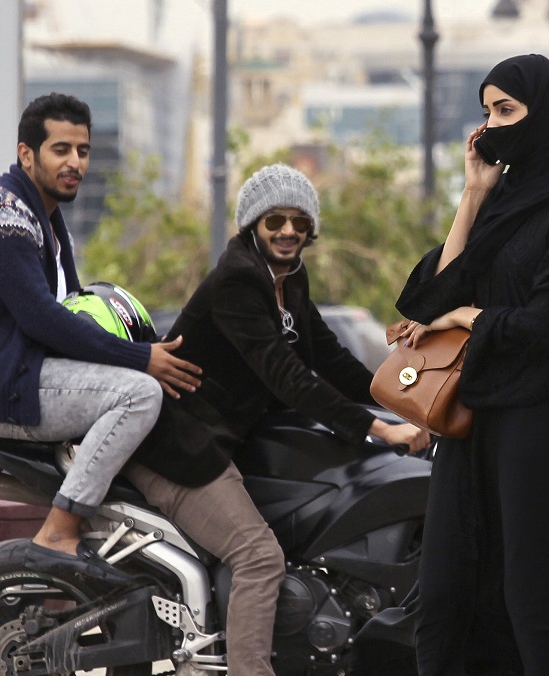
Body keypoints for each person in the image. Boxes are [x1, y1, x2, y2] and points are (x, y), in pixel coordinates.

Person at [125, 163, 430, 675]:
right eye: (274, 221)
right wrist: (381, 429)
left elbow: (328, 359)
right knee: (259, 558)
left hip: (224, 443)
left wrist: (409, 405)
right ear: (253, 226)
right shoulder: (238, 281)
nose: (288, 231)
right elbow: (286, 376)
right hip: (179, 449)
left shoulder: (289, 278)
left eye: (298, 221)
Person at [394, 54, 549, 675]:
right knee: (449, 598)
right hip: (478, 426)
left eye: (506, 110)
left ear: (548, 117)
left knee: (538, 605)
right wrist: (473, 194)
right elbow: (428, 300)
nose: (490, 129)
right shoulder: (503, 204)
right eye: (485, 112)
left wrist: (465, 320)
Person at [0, 93, 203, 583]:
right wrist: (141, 360)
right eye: (61, 150)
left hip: (25, 374)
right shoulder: (3, 216)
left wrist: (151, 348)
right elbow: (44, 320)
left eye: (83, 150)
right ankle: (61, 527)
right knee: (138, 394)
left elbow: (71, 312)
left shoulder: (48, 221)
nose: (75, 162)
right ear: (26, 154)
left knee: (145, 386)